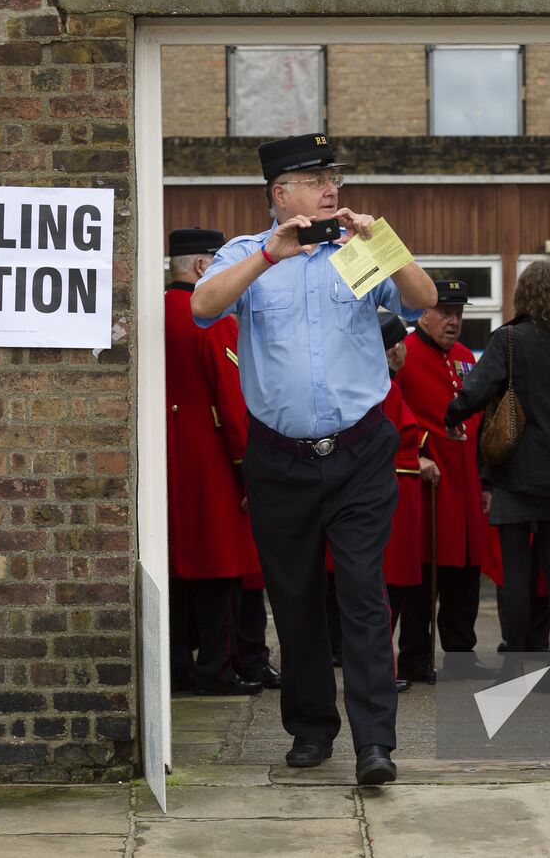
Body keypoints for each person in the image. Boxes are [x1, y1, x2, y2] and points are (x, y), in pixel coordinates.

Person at [190, 133, 437, 786]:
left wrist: (379, 240)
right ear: (281, 194)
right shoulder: (249, 255)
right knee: (294, 595)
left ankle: (375, 742)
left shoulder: (355, 253)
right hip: (279, 459)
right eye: (314, 177)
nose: (331, 187)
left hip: (359, 450)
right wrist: (270, 255)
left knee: (362, 594)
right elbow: (201, 307)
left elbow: (421, 297)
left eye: (333, 176)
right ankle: (310, 728)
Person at [445, 261, 550, 661]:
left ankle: (513, 665)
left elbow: (477, 390)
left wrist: (453, 416)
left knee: (517, 570)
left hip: (516, 471)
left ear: (524, 296)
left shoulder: (510, 340)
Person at [165, 228, 264, 697]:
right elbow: (232, 399)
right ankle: (218, 669)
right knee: (221, 570)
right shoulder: (212, 319)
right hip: (215, 464)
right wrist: (250, 467)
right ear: (204, 269)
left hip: (170, 462)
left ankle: (178, 665)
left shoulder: (157, 312)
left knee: (179, 570)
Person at [395, 282, 495, 682]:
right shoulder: (404, 353)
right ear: (423, 313)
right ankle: (415, 655)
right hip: (429, 481)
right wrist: (415, 452)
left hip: (466, 479)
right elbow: (390, 407)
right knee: (423, 574)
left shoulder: (464, 355)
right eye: (445, 313)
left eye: (458, 314)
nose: (454, 322)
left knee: (465, 572)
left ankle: (461, 654)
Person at [379, 311, 439, 692]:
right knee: (387, 587)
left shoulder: (390, 384)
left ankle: (391, 666)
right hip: (392, 495)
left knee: (399, 586)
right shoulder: (381, 387)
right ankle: (382, 668)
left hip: (404, 494)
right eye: (396, 344)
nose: (402, 350)